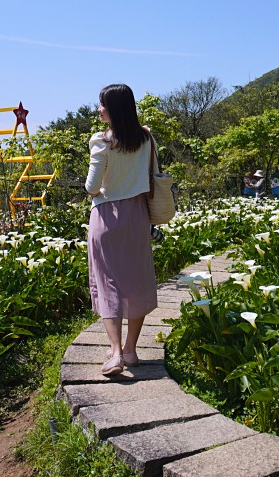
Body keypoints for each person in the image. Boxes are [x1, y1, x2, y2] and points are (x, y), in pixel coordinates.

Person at [85, 83, 158, 376]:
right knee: (136, 280)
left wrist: (102, 188)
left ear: (112, 109)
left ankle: (114, 353)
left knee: (108, 282)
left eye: (102, 104)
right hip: (138, 216)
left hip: (106, 216)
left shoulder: (101, 141)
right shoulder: (146, 137)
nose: (99, 109)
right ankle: (130, 350)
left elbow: (91, 187)